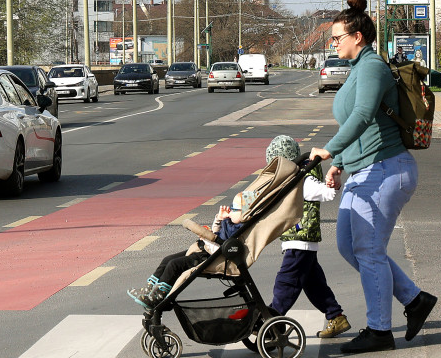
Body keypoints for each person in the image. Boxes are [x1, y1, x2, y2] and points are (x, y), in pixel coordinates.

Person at [310, 0, 437, 354]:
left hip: (386, 168)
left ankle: (380, 330)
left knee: (368, 249)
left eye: (337, 37)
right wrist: (340, 163)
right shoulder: (358, 68)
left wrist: (330, 148)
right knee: (350, 246)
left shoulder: (372, 68)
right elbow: (364, 126)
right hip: (364, 169)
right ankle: (414, 301)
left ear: (357, 37)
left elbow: (364, 115)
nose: (333, 43)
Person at [265, 134, 351, 339]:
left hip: (300, 240)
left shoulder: (303, 179)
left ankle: (273, 320)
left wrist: (331, 184)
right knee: (314, 284)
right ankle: (336, 316)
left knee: (286, 282)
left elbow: (326, 194)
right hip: (299, 241)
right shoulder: (292, 179)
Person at [127, 185, 257, 309]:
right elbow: (216, 233)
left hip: (213, 256)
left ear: (245, 212)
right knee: (167, 259)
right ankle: (150, 289)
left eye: (234, 209)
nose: (230, 210)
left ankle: (159, 296)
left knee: (174, 265)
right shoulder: (230, 223)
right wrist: (219, 219)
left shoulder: (239, 230)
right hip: (207, 249)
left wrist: (207, 239)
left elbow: (222, 247)